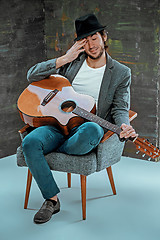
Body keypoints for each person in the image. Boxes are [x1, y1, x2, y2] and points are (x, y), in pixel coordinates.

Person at [22, 13, 138, 224]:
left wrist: (124, 125)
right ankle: (52, 200)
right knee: (29, 142)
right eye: (85, 40)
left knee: (93, 130)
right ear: (79, 43)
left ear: (104, 37)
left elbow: (121, 108)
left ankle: (62, 147)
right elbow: (31, 75)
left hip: (86, 131)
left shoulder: (121, 73)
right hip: (57, 124)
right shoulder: (71, 64)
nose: (91, 44)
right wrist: (64, 58)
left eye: (94, 37)